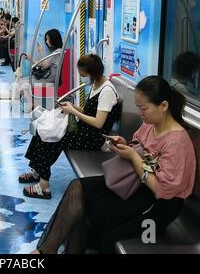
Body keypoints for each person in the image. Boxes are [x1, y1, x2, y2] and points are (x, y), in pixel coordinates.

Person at [32, 76, 196, 254]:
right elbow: (139, 147)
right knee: (78, 188)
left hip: (157, 204)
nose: (140, 113)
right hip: (134, 184)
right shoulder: (152, 124)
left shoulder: (177, 142)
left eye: (143, 108)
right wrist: (124, 145)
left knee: (92, 214)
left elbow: (161, 190)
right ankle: (47, 251)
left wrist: (133, 156)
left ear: (163, 106)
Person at [19, 54, 121, 199]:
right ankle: (37, 171)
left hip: (94, 138)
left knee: (54, 137)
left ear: (91, 72)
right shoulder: (96, 84)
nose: (82, 76)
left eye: (83, 74)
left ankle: (44, 186)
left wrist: (73, 112)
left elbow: (99, 123)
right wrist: (73, 107)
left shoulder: (107, 92)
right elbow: (88, 112)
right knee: (43, 130)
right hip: (84, 129)